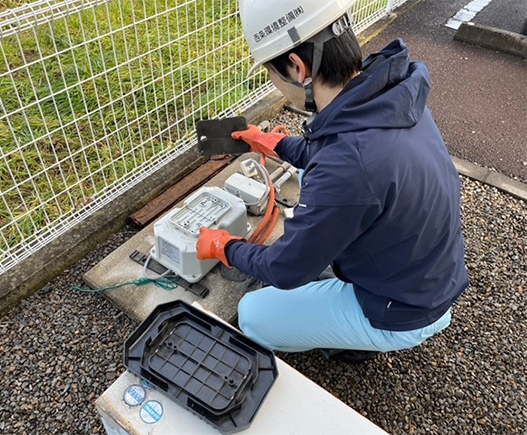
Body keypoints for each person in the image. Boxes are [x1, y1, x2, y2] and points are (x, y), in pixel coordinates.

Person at [197, 0, 469, 362]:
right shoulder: (390, 96)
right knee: (313, 174)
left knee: (253, 315)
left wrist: (225, 247)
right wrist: (270, 142)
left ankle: (357, 342)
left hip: (401, 310)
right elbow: (338, 154)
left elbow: (285, 268)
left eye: (272, 74)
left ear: (297, 67)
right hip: (430, 273)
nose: (275, 84)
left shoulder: (348, 163)